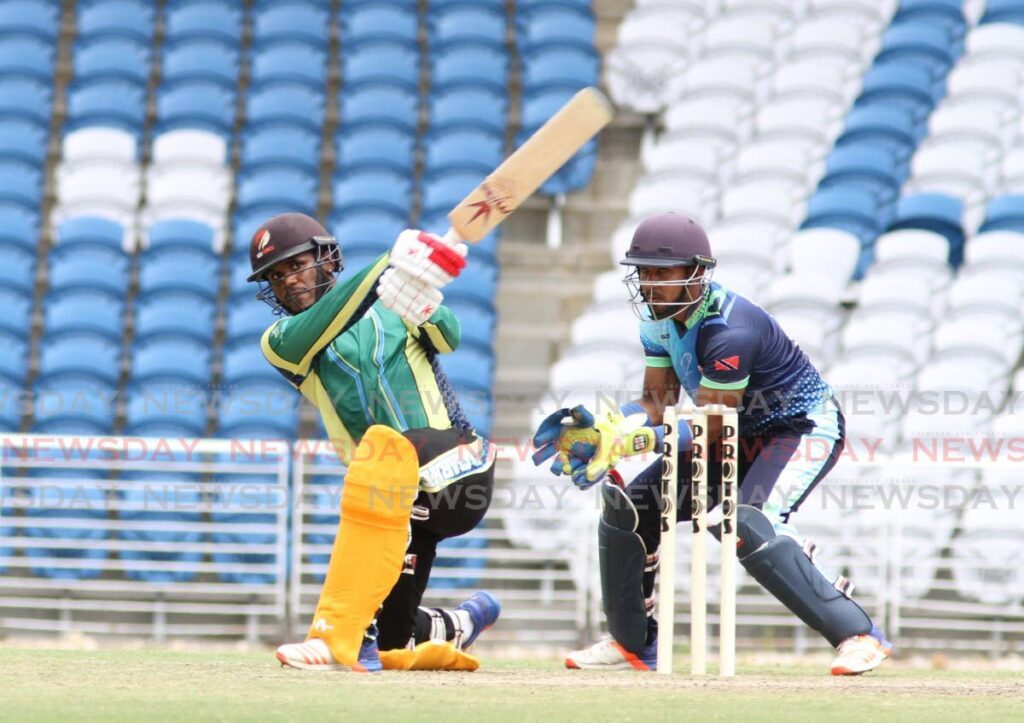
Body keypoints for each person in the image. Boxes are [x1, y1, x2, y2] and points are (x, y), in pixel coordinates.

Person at [532, 212, 892, 676]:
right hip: (730, 428)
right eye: (643, 272)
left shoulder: (729, 330)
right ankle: (633, 644)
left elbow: (712, 423)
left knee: (750, 523)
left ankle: (858, 633)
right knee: (627, 506)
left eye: (663, 273)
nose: (650, 284)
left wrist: (625, 443)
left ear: (696, 272)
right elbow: (658, 402)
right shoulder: (658, 321)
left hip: (795, 429)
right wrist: (605, 428)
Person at [246, 212, 500, 672]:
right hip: (396, 507)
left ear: (327, 260)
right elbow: (337, 314)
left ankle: (334, 635)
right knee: (393, 641)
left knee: (385, 450)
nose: (287, 281)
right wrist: (391, 266)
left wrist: (418, 303)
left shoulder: (390, 303)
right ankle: (460, 622)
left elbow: (451, 336)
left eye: (296, 264)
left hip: (458, 468)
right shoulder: (282, 341)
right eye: (276, 276)